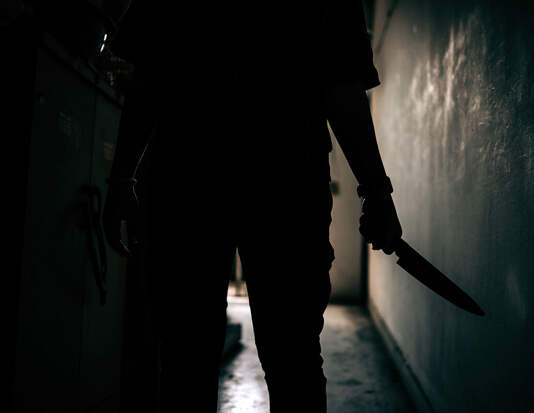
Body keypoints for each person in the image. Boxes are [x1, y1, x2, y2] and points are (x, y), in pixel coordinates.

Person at [102, 1, 402, 411]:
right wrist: (376, 191)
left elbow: (148, 81)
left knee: (185, 361)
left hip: (190, 183)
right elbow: (343, 91)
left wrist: (122, 178)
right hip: (286, 187)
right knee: (293, 361)